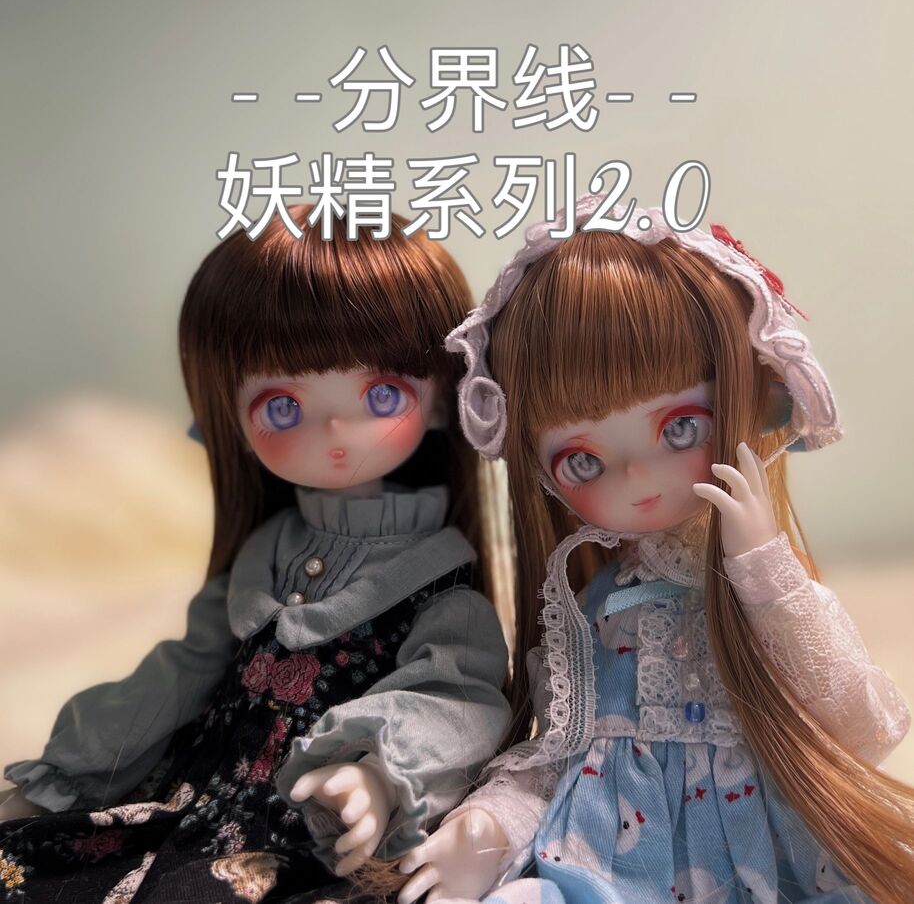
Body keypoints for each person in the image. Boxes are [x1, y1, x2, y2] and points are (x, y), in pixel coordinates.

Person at [397, 197, 914, 904]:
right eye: (583, 459)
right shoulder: (592, 607)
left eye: (680, 428)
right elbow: (556, 755)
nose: (638, 477)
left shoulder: (763, 593)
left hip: (769, 859)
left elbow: (865, 727)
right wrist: (485, 829)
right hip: (613, 867)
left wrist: (764, 569)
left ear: (750, 399)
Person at [0, 206, 510, 904]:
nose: (335, 429)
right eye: (282, 407)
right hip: (196, 804)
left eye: (381, 394)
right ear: (230, 421)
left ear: (444, 402)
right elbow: (180, 673)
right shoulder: (263, 556)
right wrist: (71, 771)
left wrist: (378, 775)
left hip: (302, 836)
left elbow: (458, 699)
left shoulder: (437, 582)